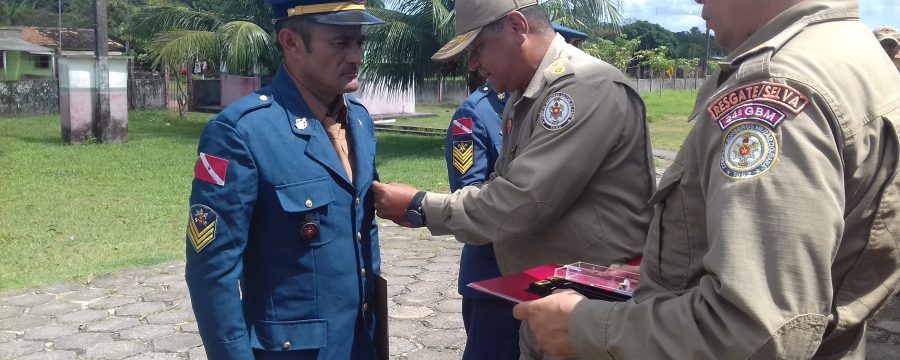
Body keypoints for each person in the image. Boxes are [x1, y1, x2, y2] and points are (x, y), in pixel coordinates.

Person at [513, 0, 900, 359]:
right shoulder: (855, 52)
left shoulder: (775, 86)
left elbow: (756, 329)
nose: (697, 0)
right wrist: (669, 271)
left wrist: (586, 327)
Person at [373, 0, 655, 328]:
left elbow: (524, 200)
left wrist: (421, 206)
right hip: (554, 300)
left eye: (479, 48)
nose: (473, 65)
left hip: (596, 310)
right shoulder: (526, 95)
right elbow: (498, 184)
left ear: (518, 27)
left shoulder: (582, 87)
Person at [184, 1, 386, 359]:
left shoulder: (359, 121)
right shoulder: (242, 133)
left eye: (360, 42)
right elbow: (212, 273)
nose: (356, 56)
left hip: (359, 343)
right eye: (341, 43)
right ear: (291, 42)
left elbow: (361, 226)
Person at [448, 24, 590, 360]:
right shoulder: (476, 114)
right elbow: (469, 192)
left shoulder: (560, 104)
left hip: (549, 274)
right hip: (495, 277)